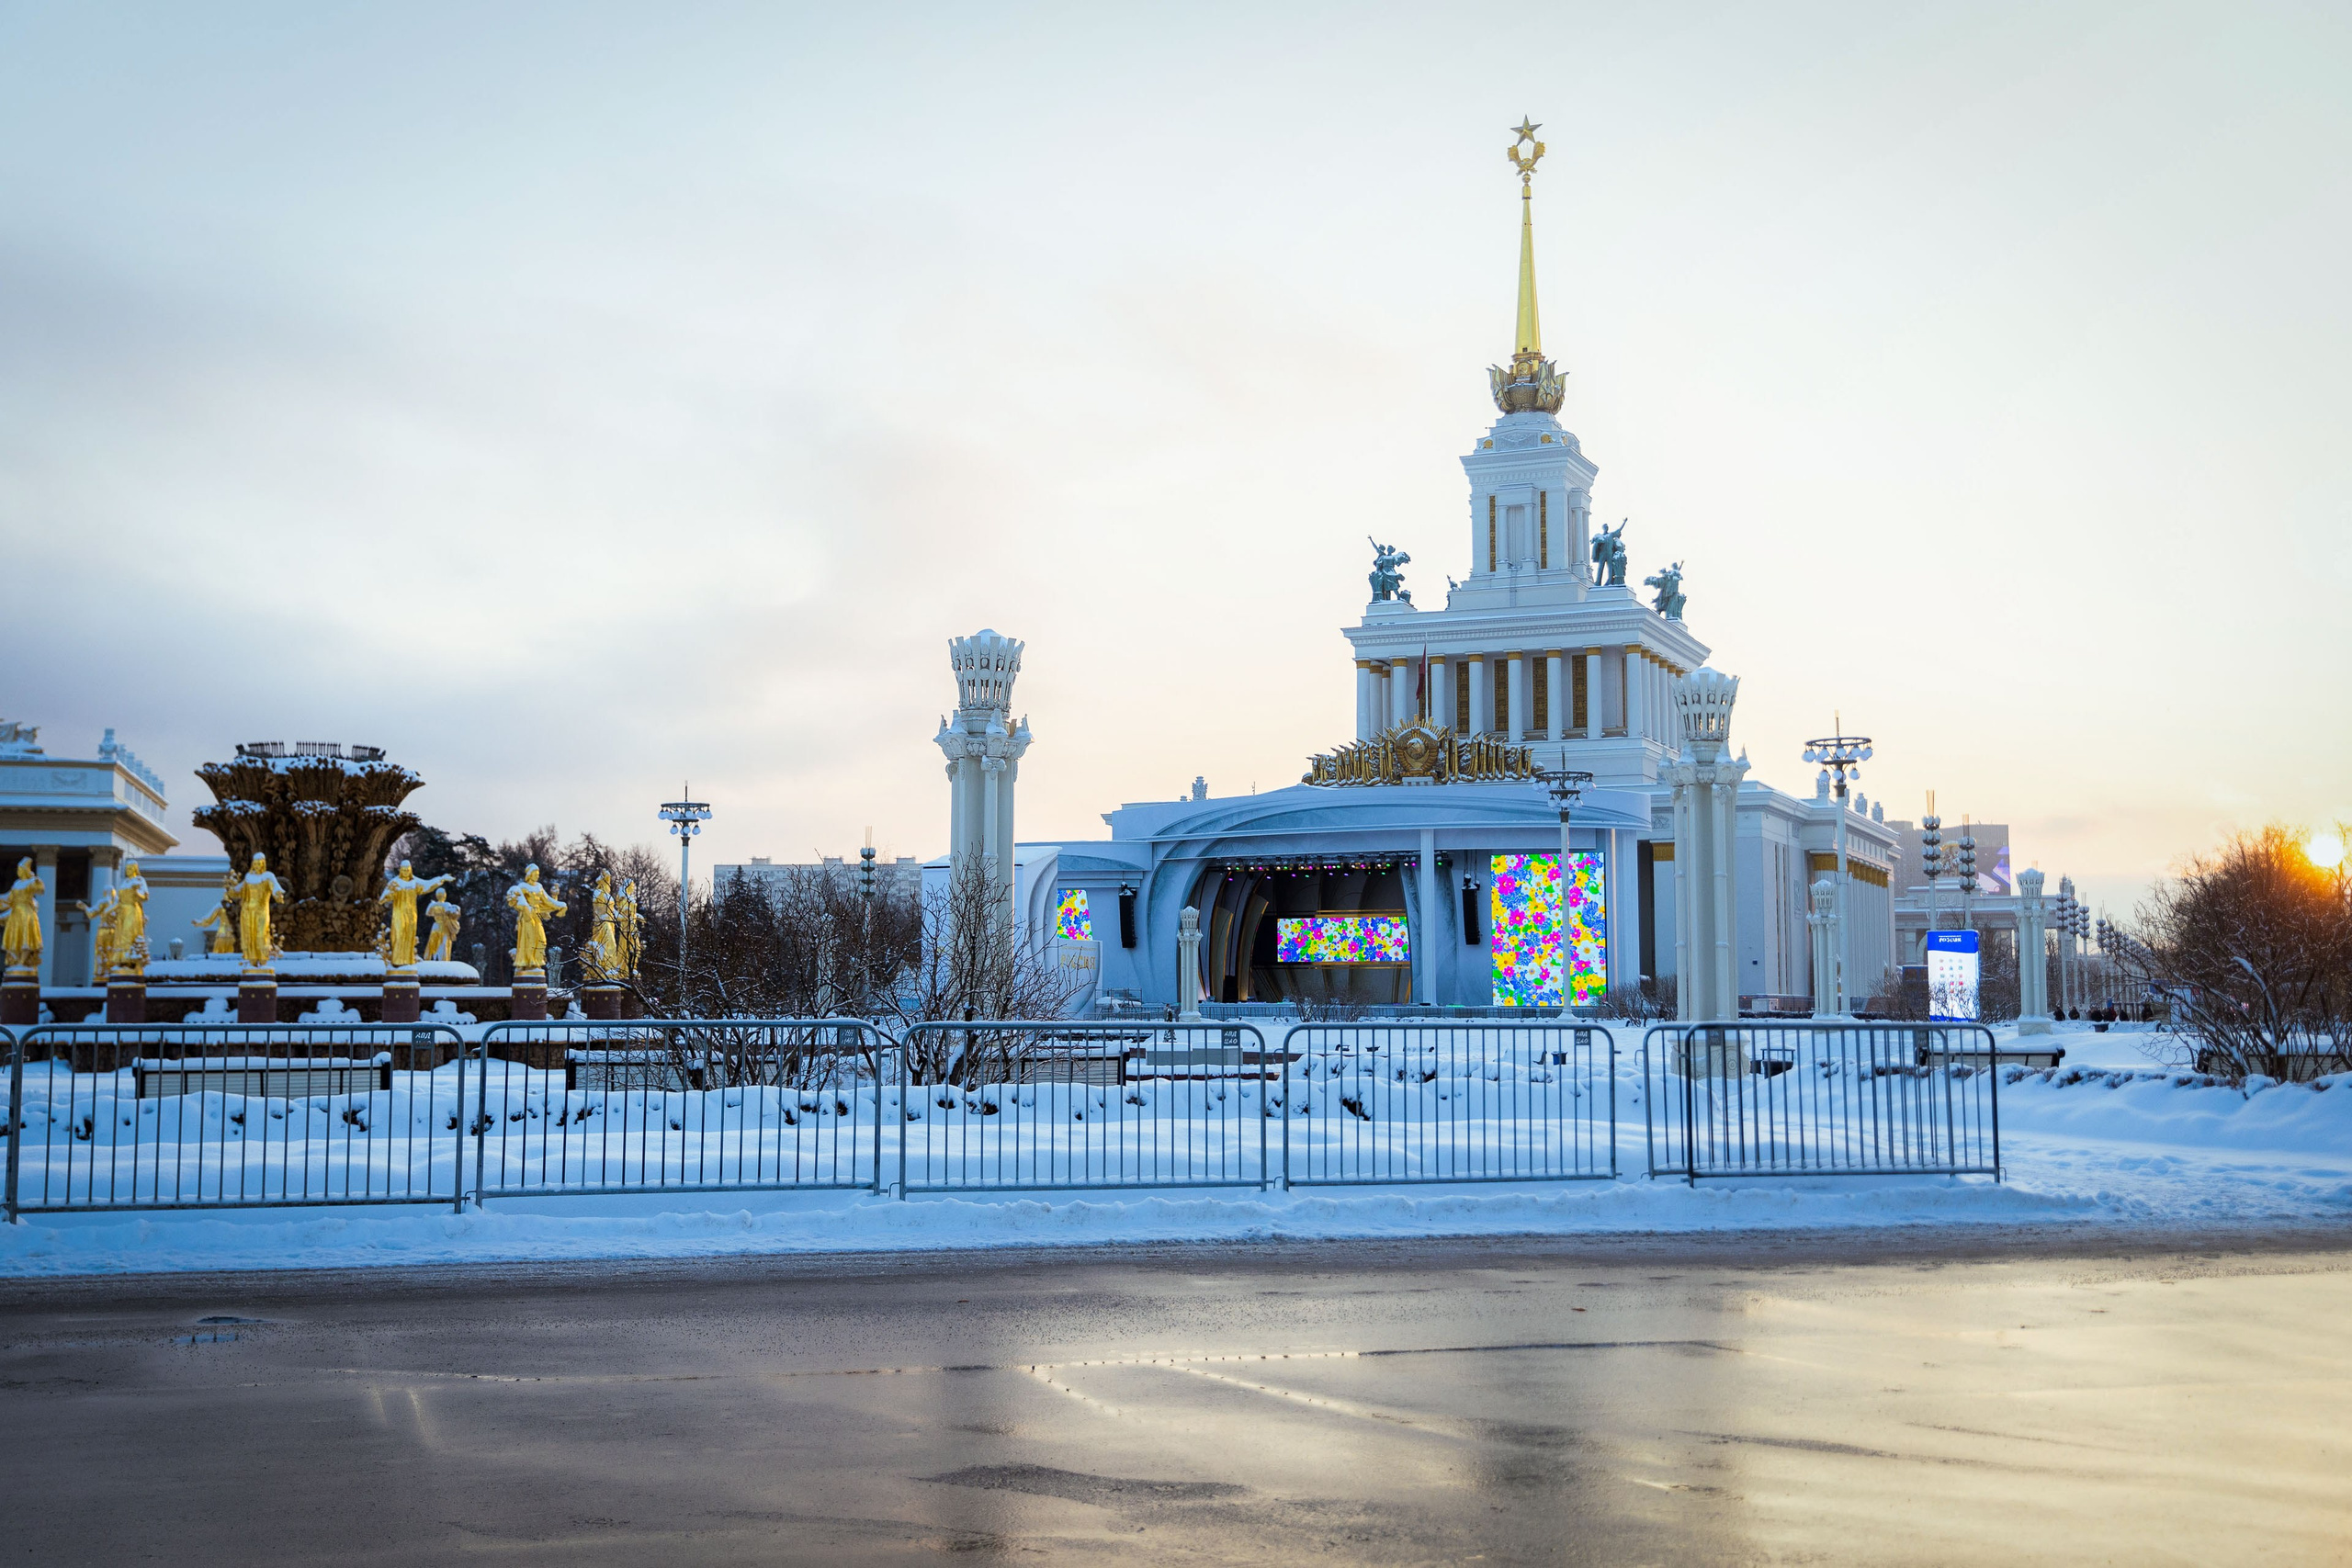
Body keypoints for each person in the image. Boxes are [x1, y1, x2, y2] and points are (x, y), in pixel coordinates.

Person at [4, 857, 44, 974]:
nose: (18, 871)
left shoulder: (31, 882)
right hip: (16, 913)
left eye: (20, 869)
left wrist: (36, 881)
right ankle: (17, 961)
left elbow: (41, 891)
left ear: (25, 870)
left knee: (26, 938)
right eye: (18, 869)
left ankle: (22, 962)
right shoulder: (16, 883)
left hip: (26, 913)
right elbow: (8, 899)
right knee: (14, 938)